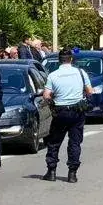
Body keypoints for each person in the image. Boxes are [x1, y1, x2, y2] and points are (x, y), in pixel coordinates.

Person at [42, 48, 92, 183]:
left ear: (60, 60)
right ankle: (72, 174)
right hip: (77, 112)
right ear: (71, 59)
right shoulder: (81, 73)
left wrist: (54, 98)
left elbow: (46, 95)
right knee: (75, 143)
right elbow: (89, 91)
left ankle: (51, 171)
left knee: (54, 142)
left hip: (60, 112)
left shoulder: (53, 75)